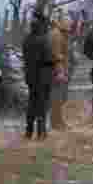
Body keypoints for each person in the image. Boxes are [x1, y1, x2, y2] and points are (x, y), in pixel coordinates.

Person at [22, 11, 55, 140]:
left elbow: (26, 58)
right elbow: (48, 58)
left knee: (31, 102)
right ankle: (41, 132)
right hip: (43, 77)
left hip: (31, 76)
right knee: (42, 104)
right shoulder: (44, 40)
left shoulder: (27, 39)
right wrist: (56, 59)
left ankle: (28, 131)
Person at [48, 11, 72, 131]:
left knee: (60, 97)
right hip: (56, 71)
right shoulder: (56, 35)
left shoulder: (62, 34)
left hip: (60, 69)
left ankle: (59, 120)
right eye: (68, 22)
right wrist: (60, 72)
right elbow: (57, 56)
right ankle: (56, 122)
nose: (70, 24)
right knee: (56, 97)